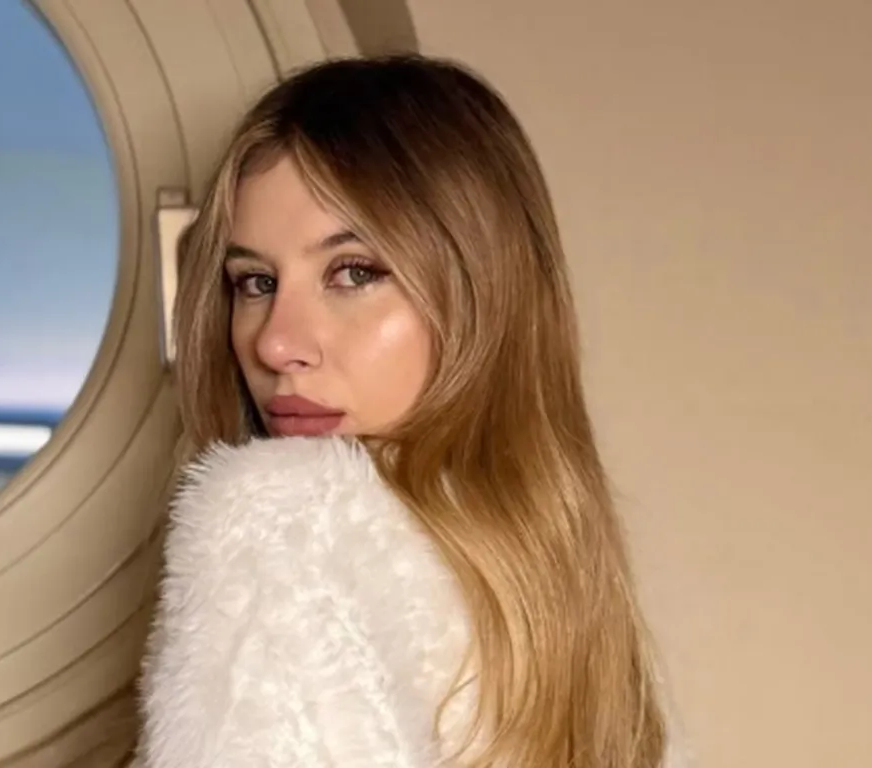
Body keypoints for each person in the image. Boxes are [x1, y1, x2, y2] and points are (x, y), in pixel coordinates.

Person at [134, 53, 685, 768]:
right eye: (255, 282)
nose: (276, 343)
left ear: (481, 290)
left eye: (353, 272)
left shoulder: (277, 525)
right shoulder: (576, 603)